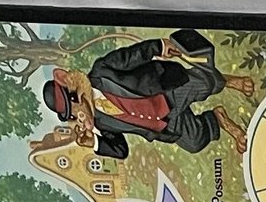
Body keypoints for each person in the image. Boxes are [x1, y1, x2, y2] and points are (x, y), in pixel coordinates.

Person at [44, 28, 253, 162]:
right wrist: (95, 143)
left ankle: (231, 81)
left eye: (75, 105)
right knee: (194, 141)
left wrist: (159, 46)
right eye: (72, 114)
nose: (79, 115)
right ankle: (218, 117)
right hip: (164, 124)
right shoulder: (102, 123)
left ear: (76, 91)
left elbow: (132, 56)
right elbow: (121, 150)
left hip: (166, 91)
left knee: (205, 83)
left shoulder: (102, 71)